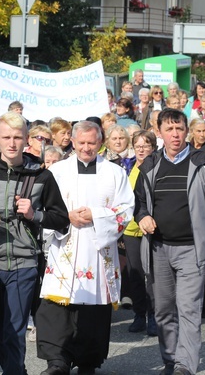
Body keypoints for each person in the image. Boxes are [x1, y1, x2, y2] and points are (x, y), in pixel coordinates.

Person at [0, 112, 69, 375]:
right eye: (7, 137)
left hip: (24, 262)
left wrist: (35, 214)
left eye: (17, 137)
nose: (12, 143)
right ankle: (16, 370)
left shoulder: (41, 176)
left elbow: (61, 218)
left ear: (27, 140)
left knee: (14, 329)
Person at [135, 108, 205, 375]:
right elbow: (138, 203)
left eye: (179, 128)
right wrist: (142, 216)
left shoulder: (204, 163)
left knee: (188, 309)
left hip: (192, 249)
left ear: (186, 131)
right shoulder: (150, 165)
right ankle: (170, 359)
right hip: (158, 249)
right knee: (163, 310)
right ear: (159, 132)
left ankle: (185, 366)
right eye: (169, 129)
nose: (175, 134)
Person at [36, 121, 134, 375]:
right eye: (81, 143)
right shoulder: (57, 171)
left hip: (97, 252)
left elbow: (126, 209)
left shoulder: (114, 173)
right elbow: (44, 207)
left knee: (93, 310)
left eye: (92, 143)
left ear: (100, 143)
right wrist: (66, 216)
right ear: (73, 142)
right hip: (65, 245)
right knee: (57, 308)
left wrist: (96, 215)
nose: (86, 148)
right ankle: (57, 361)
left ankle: (88, 361)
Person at [122, 130, 158, 337]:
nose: (142, 149)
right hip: (130, 229)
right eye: (138, 145)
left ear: (153, 147)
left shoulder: (156, 166)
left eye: (146, 145)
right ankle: (139, 314)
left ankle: (153, 316)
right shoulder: (127, 167)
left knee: (152, 275)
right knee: (135, 274)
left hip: (149, 228)